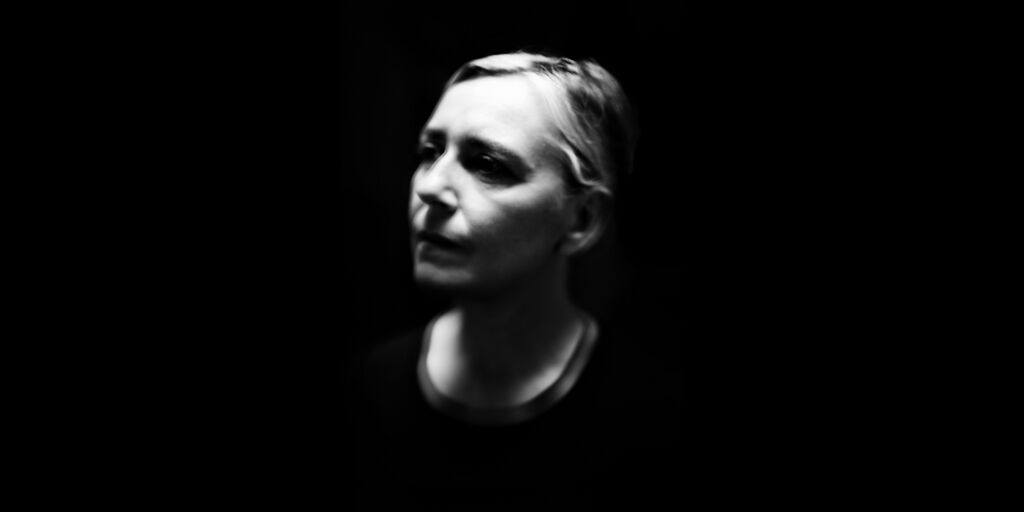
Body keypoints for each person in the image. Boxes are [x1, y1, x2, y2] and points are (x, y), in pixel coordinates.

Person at [348, 51, 681, 503]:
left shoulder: (649, 417)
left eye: (487, 164)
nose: (428, 186)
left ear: (581, 219)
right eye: (430, 152)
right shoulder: (371, 389)